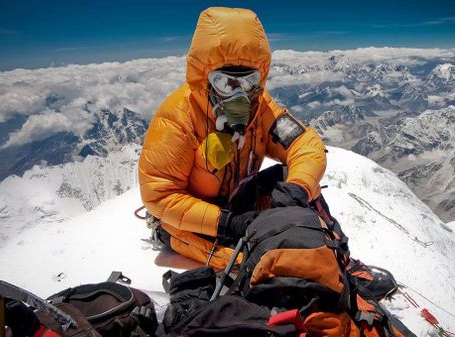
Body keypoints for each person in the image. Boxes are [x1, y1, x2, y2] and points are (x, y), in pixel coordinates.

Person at [138, 7, 327, 269]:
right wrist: (226, 222)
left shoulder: (261, 109)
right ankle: (266, 269)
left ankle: (333, 255)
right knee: (242, 259)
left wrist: (298, 187)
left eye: (249, 82)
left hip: (237, 201)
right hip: (193, 219)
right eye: (226, 83)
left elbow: (304, 144)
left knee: (297, 181)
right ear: (204, 79)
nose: (240, 94)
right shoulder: (177, 118)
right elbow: (160, 195)